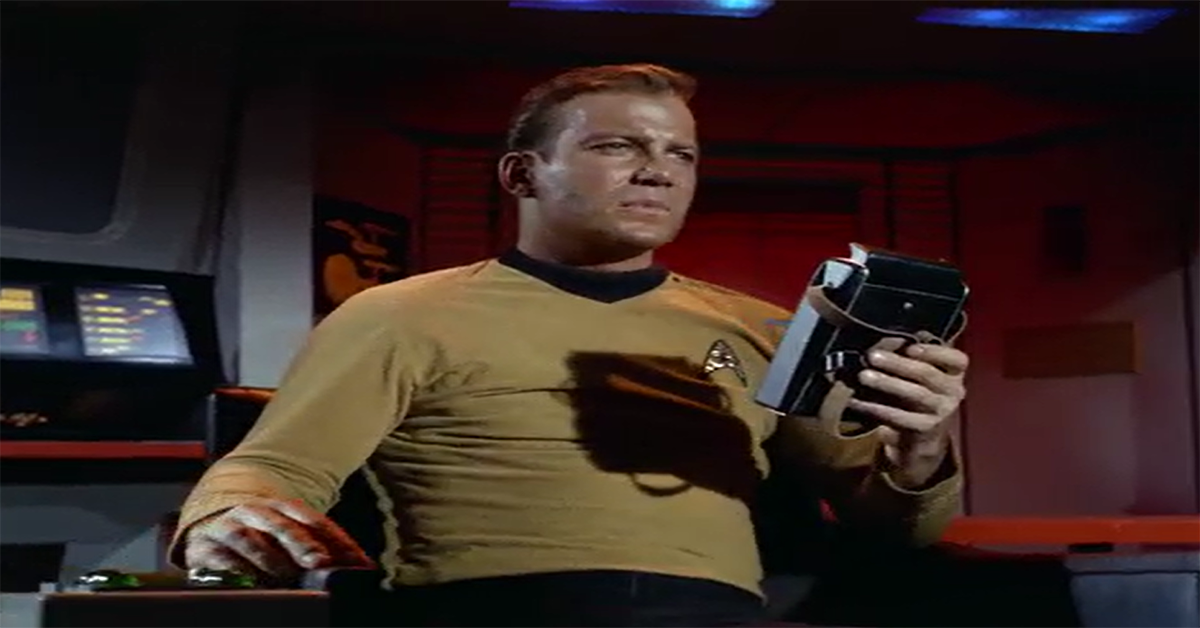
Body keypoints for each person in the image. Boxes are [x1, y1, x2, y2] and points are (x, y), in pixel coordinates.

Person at [172, 63, 968, 627]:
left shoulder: (759, 331)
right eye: (618, 147)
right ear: (522, 176)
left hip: (710, 613)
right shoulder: (400, 315)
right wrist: (225, 516)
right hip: (488, 610)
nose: (658, 172)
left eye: (681, 154)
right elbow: (275, 466)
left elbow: (901, 530)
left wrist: (922, 451)